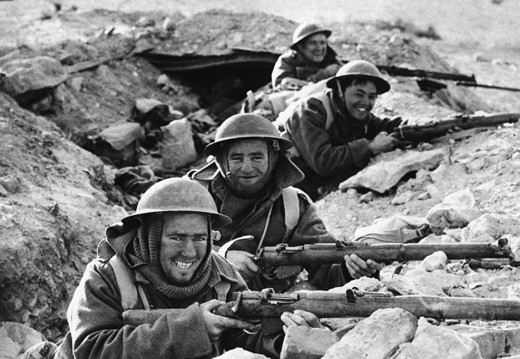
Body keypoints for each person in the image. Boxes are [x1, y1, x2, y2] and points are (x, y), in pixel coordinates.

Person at [26, 178, 321, 359]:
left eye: (200, 238)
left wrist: (287, 338)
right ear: (151, 236)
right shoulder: (107, 276)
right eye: (177, 237)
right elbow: (92, 351)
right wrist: (192, 329)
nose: (190, 251)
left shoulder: (225, 277)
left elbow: (245, 340)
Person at [189, 113, 381, 293]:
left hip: (262, 315)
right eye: (237, 158)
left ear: (273, 159)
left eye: (257, 157)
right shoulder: (190, 195)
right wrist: (219, 259)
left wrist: (351, 269)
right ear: (223, 161)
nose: (247, 168)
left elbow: (324, 266)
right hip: (195, 307)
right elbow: (162, 251)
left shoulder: (293, 205)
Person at [277, 59, 405, 200]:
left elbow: (388, 125)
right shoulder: (311, 110)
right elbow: (323, 161)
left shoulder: (356, 115)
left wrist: (419, 125)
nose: (366, 102)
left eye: (372, 96)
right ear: (339, 90)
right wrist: (370, 148)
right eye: (358, 94)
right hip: (280, 190)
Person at [271, 22, 343, 90]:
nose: (319, 48)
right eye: (313, 43)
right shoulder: (287, 61)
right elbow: (281, 87)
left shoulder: (332, 61)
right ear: (300, 47)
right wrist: (323, 75)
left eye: (322, 43)